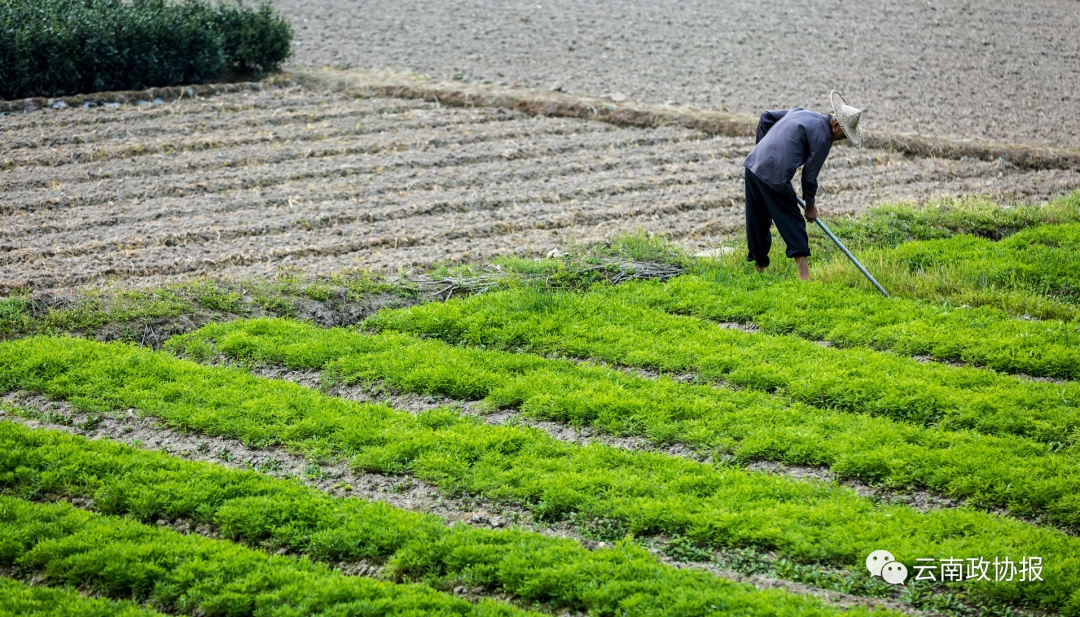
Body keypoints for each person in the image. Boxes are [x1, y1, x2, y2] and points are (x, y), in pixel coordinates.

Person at [742, 90, 863, 280]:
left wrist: (760, 151)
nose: (844, 139)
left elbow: (766, 117)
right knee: (793, 221)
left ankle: (759, 269)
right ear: (836, 125)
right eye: (845, 134)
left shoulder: (802, 112)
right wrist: (811, 206)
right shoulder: (824, 137)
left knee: (757, 217)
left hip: (752, 165)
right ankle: (804, 277)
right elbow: (809, 176)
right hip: (774, 174)